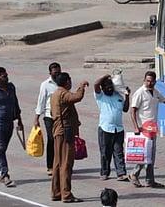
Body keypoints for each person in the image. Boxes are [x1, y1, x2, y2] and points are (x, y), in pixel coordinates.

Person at [50, 72, 88, 203]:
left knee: (57, 163)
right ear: (67, 82)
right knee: (66, 163)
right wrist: (82, 87)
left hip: (57, 130)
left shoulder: (54, 95)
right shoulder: (63, 94)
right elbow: (77, 97)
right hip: (65, 132)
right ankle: (66, 194)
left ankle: (56, 192)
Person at [94, 74, 130, 181]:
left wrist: (127, 96)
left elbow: (125, 109)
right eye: (107, 86)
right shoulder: (100, 96)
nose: (109, 88)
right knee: (105, 152)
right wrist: (106, 76)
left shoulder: (118, 96)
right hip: (105, 129)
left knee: (118, 151)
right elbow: (95, 84)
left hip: (118, 129)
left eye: (111, 86)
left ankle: (121, 173)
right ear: (103, 87)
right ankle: (104, 172)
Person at [34, 62, 61, 176]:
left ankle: (60, 164)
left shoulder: (63, 83)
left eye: (59, 72)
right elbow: (41, 101)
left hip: (60, 117)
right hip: (49, 117)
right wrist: (36, 118)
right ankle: (50, 166)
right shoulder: (45, 84)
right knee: (51, 139)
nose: (57, 75)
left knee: (61, 141)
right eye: (55, 73)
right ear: (50, 73)